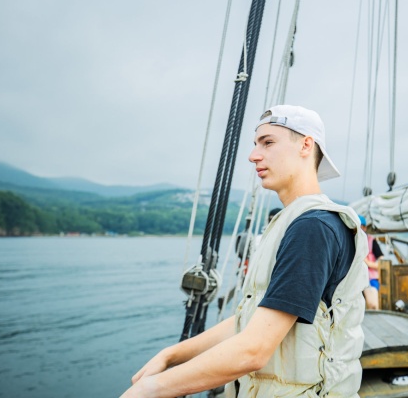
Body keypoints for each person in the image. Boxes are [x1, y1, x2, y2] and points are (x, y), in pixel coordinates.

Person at [120, 105, 368, 398]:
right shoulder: (294, 222)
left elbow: (254, 350)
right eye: (255, 144)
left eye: (268, 142)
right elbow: (249, 321)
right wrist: (171, 355)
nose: (253, 156)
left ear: (305, 145)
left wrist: (149, 389)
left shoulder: (313, 227)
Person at [359, 215, 384, 310]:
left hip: (370, 277)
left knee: (373, 305)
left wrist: (368, 263)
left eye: (360, 227)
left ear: (364, 228)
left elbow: (381, 262)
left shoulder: (371, 241)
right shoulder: (351, 241)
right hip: (356, 277)